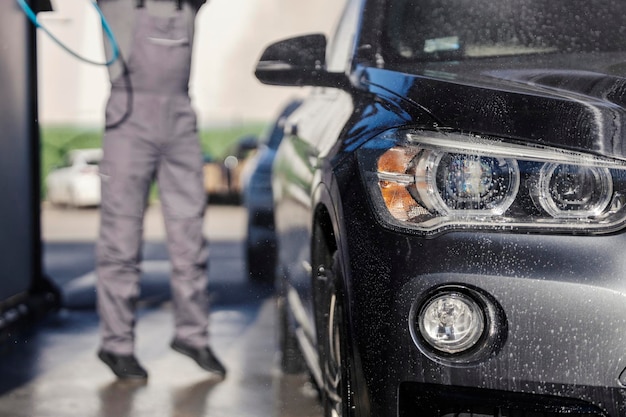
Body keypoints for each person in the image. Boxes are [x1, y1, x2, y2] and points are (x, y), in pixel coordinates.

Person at [95, 0, 225, 380]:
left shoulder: (189, 5)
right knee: (120, 238)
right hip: (129, 118)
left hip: (180, 120)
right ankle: (115, 345)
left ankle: (192, 336)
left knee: (190, 238)